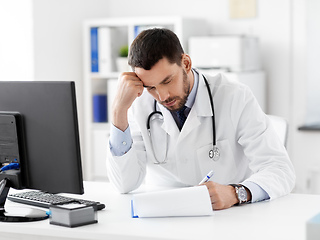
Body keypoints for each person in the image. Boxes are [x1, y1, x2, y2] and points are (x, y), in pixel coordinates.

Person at [106, 28, 295, 210]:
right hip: (164, 218)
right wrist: (118, 111)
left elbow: (280, 170)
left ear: (186, 63)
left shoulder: (235, 97)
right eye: (151, 87)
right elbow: (124, 184)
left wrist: (235, 193)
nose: (163, 96)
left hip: (228, 216)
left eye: (167, 81)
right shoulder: (138, 105)